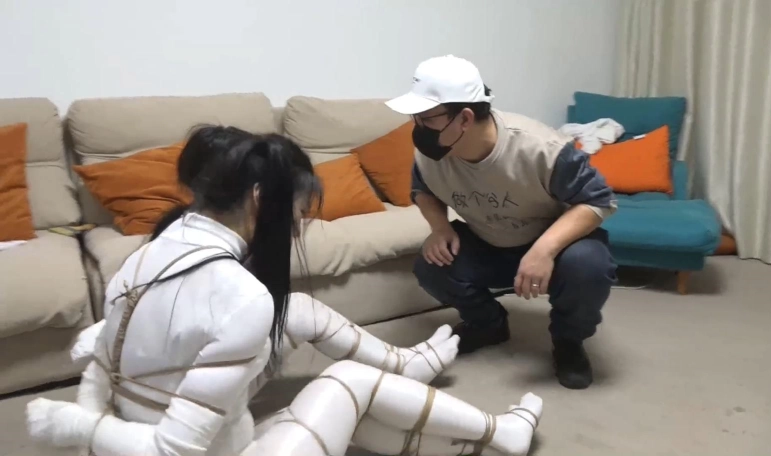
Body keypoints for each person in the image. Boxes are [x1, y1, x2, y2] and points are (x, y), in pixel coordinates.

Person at [26, 126, 544, 456]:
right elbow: (172, 450)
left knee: (295, 315)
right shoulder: (240, 297)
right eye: (297, 210)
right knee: (347, 383)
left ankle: (409, 369)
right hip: (188, 447)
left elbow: (103, 360)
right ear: (260, 199)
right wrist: (81, 428)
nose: (298, 225)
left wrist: (89, 418)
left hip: (148, 420)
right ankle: (499, 431)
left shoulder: (144, 254)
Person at [386, 55, 618, 390]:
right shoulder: (432, 152)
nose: (418, 128)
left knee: (588, 265)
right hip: (488, 243)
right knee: (432, 263)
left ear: (464, 118)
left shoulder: (541, 148)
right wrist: (440, 228)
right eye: (415, 118)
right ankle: (488, 324)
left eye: (426, 118)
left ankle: (568, 341)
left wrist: (544, 250)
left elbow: (598, 201)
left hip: (555, 247)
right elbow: (422, 190)